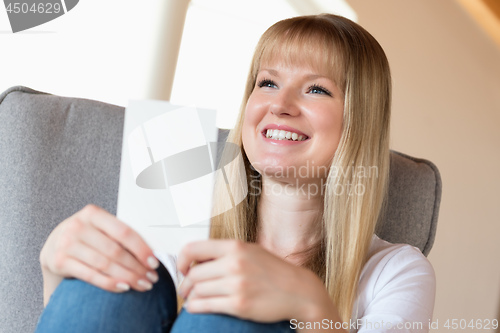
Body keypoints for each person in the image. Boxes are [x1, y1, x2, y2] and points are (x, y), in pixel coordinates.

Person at [35, 13, 435, 333]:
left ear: (358, 122)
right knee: (111, 289)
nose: (280, 105)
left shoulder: (395, 271)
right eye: (268, 82)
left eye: (316, 89)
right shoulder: (176, 229)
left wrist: (310, 305)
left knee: (230, 313)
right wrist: (55, 271)